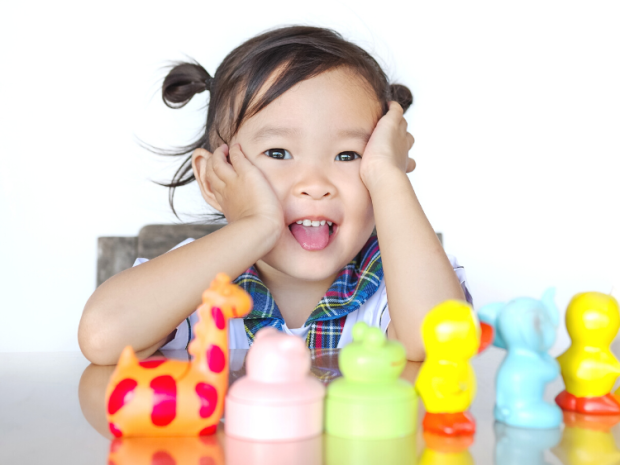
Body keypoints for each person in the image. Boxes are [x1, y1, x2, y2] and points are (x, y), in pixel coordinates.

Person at [78, 25, 471, 366]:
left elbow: (437, 342)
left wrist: (389, 175)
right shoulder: (195, 286)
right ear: (216, 178)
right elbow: (101, 335)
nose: (315, 183)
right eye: (278, 153)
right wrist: (258, 226)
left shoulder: (399, 286)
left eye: (349, 155)